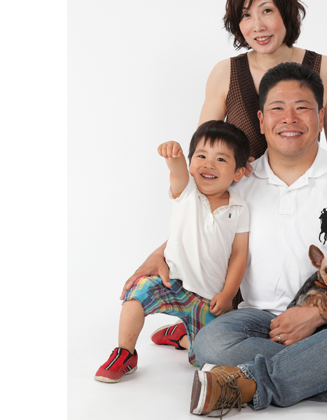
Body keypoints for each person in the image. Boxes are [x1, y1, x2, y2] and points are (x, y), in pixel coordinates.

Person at [189, 62, 327, 416]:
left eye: (302, 107)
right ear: (260, 120)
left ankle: (246, 385)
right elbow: (199, 230)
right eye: (277, 108)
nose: (289, 118)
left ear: (320, 117)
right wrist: (159, 254)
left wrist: (316, 315)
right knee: (210, 341)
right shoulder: (239, 182)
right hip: (262, 322)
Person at [95, 121, 251, 382]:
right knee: (136, 295)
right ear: (191, 163)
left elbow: (239, 255)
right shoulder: (187, 192)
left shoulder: (239, 208)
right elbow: (178, 174)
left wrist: (227, 294)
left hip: (208, 297)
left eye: (221, 159)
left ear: (238, 172)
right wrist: (174, 156)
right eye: (201, 156)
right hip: (172, 281)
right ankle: (125, 352)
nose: (209, 164)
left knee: (203, 358)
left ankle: (179, 336)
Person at [199, 0, 327, 167]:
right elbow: (203, 145)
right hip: (242, 187)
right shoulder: (225, 73)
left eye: (267, 10)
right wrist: (231, 161)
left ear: (286, 11)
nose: (258, 26)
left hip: (306, 185)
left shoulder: (324, 68)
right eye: (246, 15)